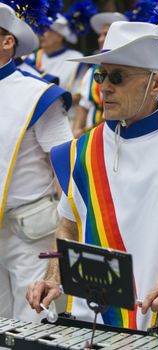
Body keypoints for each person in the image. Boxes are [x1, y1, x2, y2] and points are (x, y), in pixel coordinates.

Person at [27, 3, 158, 341]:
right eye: (100, 75)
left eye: (118, 77)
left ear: (157, 83)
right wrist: (54, 277)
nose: (103, 87)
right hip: (87, 328)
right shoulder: (81, 150)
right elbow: (69, 223)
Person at [0, 2, 73, 322]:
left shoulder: (37, 94)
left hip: (28, 231)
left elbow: (68, 165)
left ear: (7, 42)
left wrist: (67, 226)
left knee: (31, 323)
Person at [32, 1, 97, 121]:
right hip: (35, 118)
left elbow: (81, 95)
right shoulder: (32, 57)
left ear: (59, 36)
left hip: (66, 119)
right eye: (40, 29)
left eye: (46, 30)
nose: (41, 34)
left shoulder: (75, 58)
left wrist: (50, 101)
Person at [72, 11, 128, 138]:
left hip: (118, 135)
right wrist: (77, 131)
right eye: (100, 35)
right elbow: (84, 105)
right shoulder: (92, 71)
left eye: (106, 34)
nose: (100, 39)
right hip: (91, 138)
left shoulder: (132, 72)